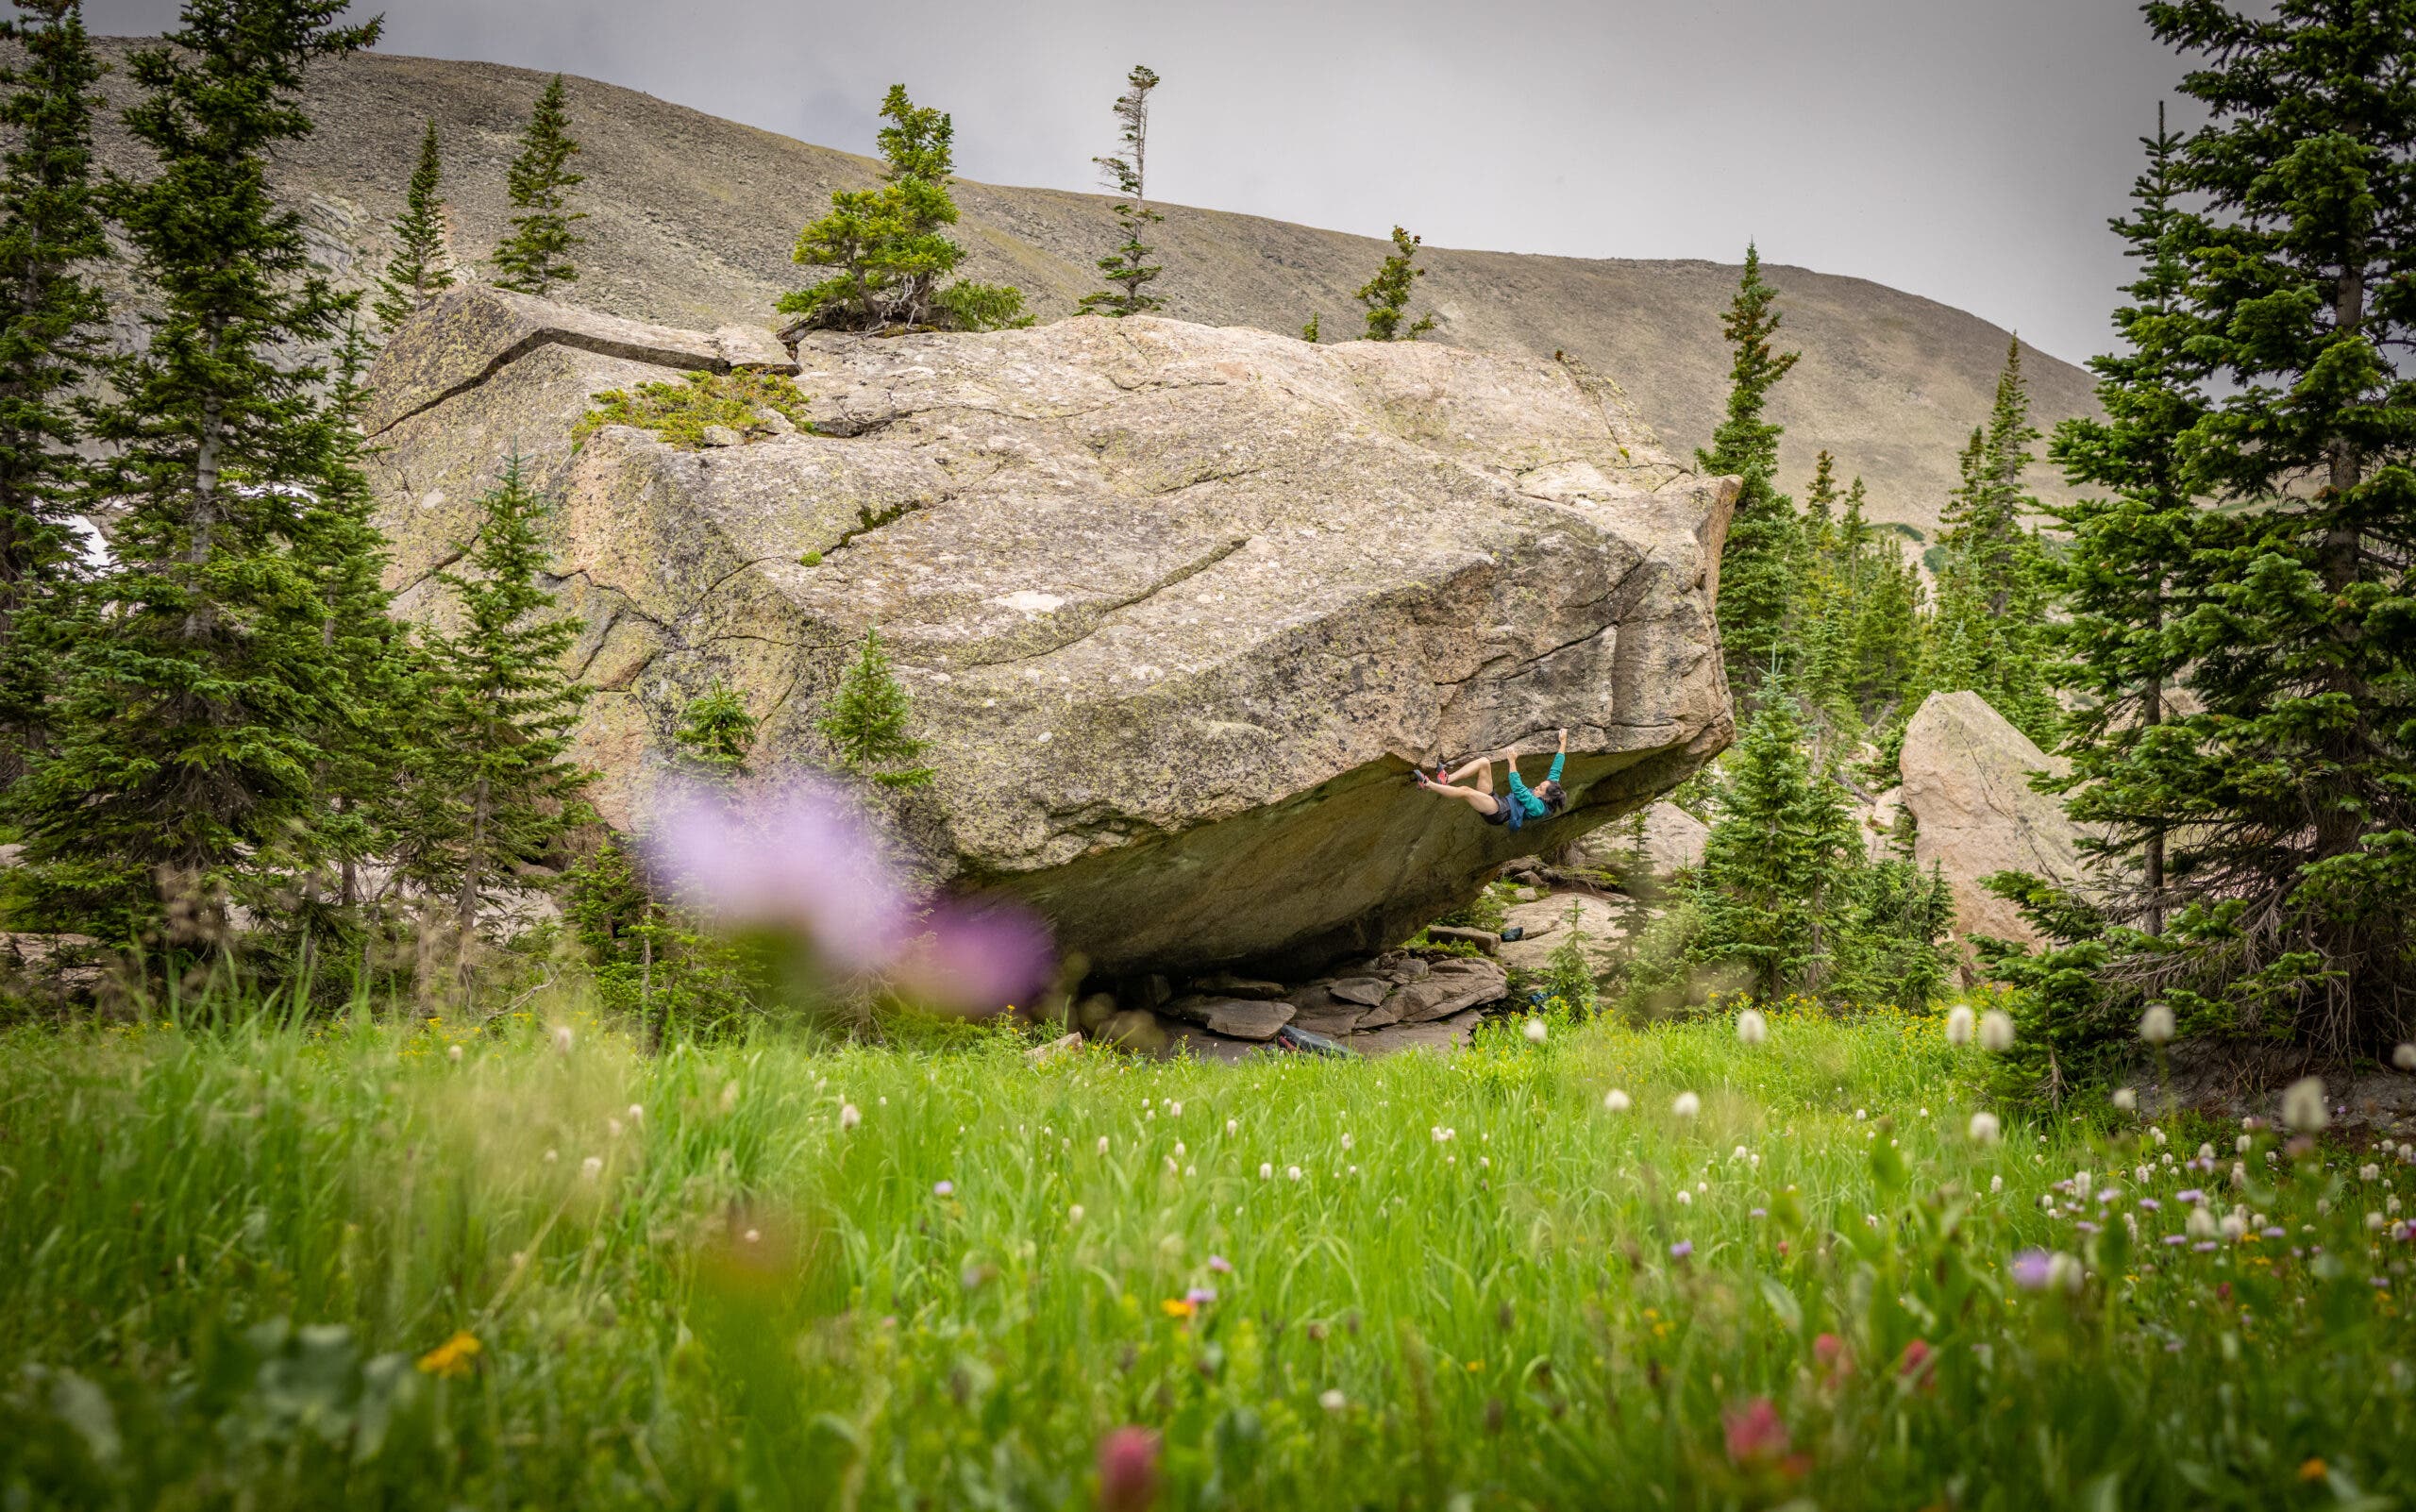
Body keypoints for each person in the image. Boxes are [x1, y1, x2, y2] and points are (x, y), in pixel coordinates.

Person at [1414, 729, 1569, 832]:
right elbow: (1556, 770)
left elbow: (1519, 790)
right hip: (1499, 801)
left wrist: (1512, 761)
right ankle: (1447, 779)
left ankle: (1428, 784)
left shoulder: (1539, 807)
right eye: (1540, 786)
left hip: (1500, 812)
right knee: (1484, 762)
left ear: (1546, 797)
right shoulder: (1551, 790)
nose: (1536, 787)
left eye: (1540, 789)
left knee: (1466, 792)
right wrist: (1563, 742)